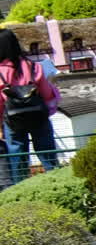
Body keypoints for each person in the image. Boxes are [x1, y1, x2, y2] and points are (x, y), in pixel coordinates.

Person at [0, 30, 60, 184]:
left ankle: (20, 187)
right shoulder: (33, 66)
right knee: (47, 153)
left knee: (17, 157)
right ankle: (55, 183)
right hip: (38, 116)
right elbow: (47, 95)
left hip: (12, 120)